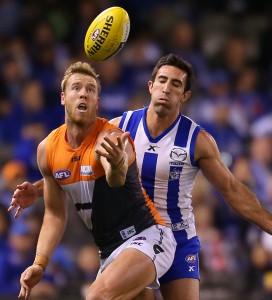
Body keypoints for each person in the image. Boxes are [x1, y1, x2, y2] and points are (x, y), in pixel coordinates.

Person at [9, 54, 272, 300]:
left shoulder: (197, 140)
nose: (167, 88)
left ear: (185, 95)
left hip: (175, 238)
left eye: (176, 85)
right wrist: (40, 187)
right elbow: (80, 165)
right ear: (150, 86)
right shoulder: (120, 127)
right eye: (162, 80)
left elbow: (231, 189)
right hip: (123, 237)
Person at [12, 61, 176, 300]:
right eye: (76, 88)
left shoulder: (110, 138)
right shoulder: (47, 149)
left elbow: (116, 178)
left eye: (90, 90)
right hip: (109, 250)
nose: (83, 93)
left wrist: (118, 163)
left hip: (146, 235)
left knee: (96, 296)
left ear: (97, 102)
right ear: (63, 97)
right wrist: (39, 263)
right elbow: (55, 214)